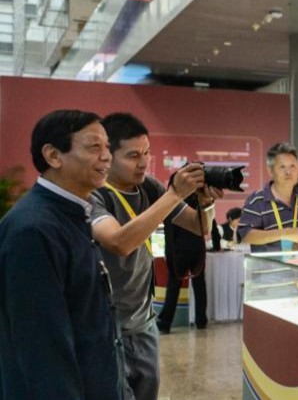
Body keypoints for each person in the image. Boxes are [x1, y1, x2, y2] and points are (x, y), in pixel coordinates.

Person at [90, 113, 220, 393]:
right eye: (133, 155)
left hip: (144, 319)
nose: (143, 162)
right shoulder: (96, 194)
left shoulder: (148, 186)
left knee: (148, 392)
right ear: (108, 156)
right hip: (108, 325)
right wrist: (174, 194)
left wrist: (206, 201)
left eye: (147, 152)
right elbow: (119, 242)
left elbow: (199, 227)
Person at [0, 109, 121, 399]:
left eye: (107, 147)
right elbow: (41, 344)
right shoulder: (33, 230)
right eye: (94, 147)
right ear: (54, 156)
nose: (106, 156)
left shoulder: (73, 213)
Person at [237, 142, 298, 252]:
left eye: (292, 166)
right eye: (282, 167)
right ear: (270, 171)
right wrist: (285, 233)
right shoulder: (257, 200)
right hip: (269, 268)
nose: (288, 172)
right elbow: (246, 235)